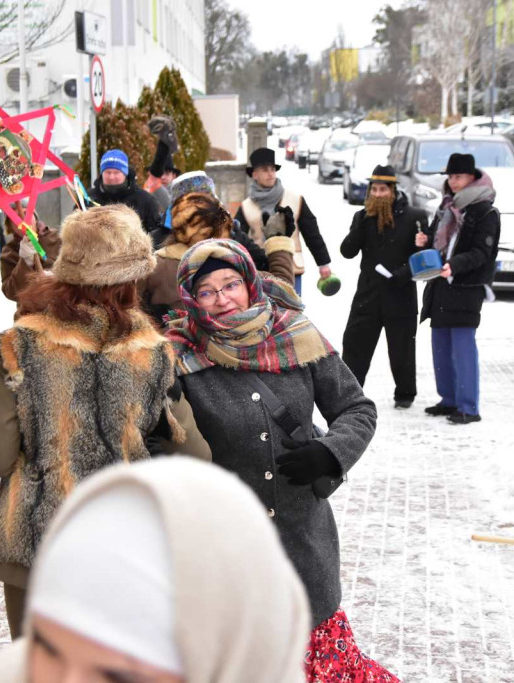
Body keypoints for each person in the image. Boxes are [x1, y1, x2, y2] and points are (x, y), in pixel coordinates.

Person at [0, 205, 211, 639]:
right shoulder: (153, 353)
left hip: (34, 553)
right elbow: (196, 454)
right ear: (131, 280)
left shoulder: (19, 345)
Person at [164, 240, 397, 682]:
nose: (222, 298)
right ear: (192, 300)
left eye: (231, 284)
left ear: (250, 284)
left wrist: (331, 452)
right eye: (208, 291)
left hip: (302, 541)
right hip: (228, 553)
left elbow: (357, 409)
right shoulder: (176, 357)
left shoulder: (298, 335)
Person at [0, 458, 311, 683]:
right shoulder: (156, 356)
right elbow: (194, 447)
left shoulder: (19, 357)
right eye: (47, 648)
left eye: (117, 678)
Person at [140, 171, 294, 326]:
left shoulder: (157, 261)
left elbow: (124, 309)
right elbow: (284, 292)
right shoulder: (232, 261)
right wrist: (278, 239)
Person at [418, 153, 500, 425]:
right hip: (440, 283)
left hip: (466, 286)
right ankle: (449, 399)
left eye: (459, 177)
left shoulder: (484, 211)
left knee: (462, 347)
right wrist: (425, 239)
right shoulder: (446, 207)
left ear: (472, 178)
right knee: (440, 344)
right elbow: (437, 238)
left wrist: (454, 264)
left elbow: (482, 252)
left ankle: (468, 406)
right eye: (450, 177)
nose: (453, 182)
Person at [340, 164, 430, 409]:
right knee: (355, 344)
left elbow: (424, 256)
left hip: (400, 293)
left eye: (383, 189)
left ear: (392, 190)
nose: (378, 194)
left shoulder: (414, 216)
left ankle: (405, 394)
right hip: (368, 294)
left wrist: (404, 270)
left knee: (402, 347)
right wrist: (361, 224)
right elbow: (347, 252)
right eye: (374, 190)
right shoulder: (362, 217)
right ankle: (350, 393)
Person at [236, 147, 336, 295]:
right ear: (255, 174)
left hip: (291, 269)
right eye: (265, 170)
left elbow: (312, 233)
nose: (270, 173)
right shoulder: (246, 206)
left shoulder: (295, 199)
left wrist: (323, 264)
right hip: (260, 271)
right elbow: (237, 239)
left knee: (292, 314)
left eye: (272, 169)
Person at [87, 149, 163, 241]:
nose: (111, 177)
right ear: (101, 173)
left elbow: (156, 232)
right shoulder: (88, 198)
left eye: (116, 172)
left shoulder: (144, 199)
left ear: (125, 173)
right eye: (107, 172)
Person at [0, 201, 61, 304]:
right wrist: (25, 263)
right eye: (16, 216)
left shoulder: (58, 238)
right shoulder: (8, 252)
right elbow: (11, 292)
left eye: (26, 212)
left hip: (61, 309)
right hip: (30, 312)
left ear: (35, 216)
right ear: (9, 225)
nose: (23, 219)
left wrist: (54, 278)